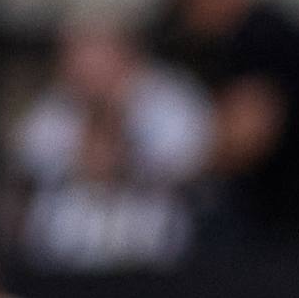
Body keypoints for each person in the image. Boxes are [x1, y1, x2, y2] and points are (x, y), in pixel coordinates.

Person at [158, 0, 299, 244]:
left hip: (293, 218)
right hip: (297, 211)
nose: (190, 18)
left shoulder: (258, 36)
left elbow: (250, 134)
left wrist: (185, 168)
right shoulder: (265, 29)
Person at [13, 20, 211, 272]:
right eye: (73, 56)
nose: (79, 66)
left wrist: (122, 148)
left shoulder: (170, 96)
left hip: (151, 219)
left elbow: (188, 159)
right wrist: (85, 151)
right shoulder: (55, 105)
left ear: (122, 52)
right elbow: (32, 157)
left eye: (89, 56)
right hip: (71, 232)